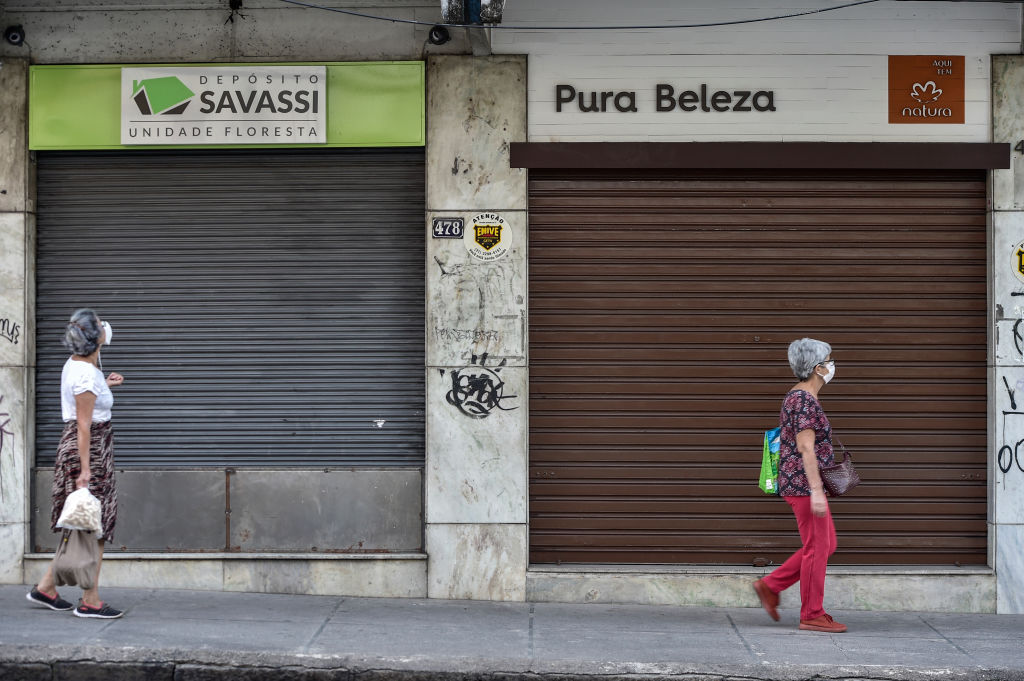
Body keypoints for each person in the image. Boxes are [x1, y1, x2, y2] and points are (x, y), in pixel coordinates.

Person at [26, 308, 125, 619]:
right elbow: (84, 424)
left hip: (93, 447)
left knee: (83, 523)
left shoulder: (84, 367)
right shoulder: (83, 373)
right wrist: (85, 469)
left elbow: (88, 403)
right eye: (99, 324)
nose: (105, 326)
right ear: (94, 338)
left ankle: (46, 588)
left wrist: (105, 384)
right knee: (93, 524)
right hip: (89, 449)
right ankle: (90, 601)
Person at [752, 338, 845, 633]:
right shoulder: (803, 400)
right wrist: (816, 491)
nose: (833, 365)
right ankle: (812, 614)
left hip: (801, 484)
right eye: (829, 360)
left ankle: (771, 585)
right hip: (804, 486)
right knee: (818, 547)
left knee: (825, 544)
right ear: (818, 368)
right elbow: (806, 448)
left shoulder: (800, 397)